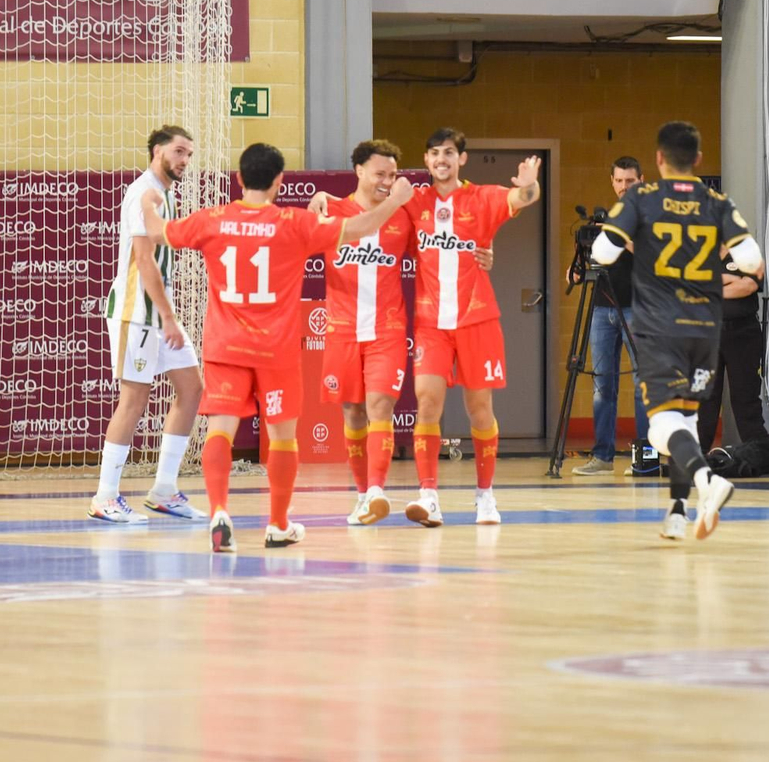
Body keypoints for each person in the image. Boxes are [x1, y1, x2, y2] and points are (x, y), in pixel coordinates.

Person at [144, 143, 413, 552]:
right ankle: (278, 524)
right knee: (283, 438)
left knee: (220, 431)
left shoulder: (212, 219)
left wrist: (148, 203)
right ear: (279, 182)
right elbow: (359, 228)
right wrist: (394, 202)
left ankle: (219, 512)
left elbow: (158, 232)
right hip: (275, 350)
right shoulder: (294, 223)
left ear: (239, 178)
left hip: (225, 347)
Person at [591, 122, 758, 542]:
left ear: (658, 159)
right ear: (697, 159)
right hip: (705, 329)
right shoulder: (718, 202)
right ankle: (678, 512)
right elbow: (752, 261)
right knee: (685, 420)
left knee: (661, 429)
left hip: (661, 327)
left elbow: (602, 253)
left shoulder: (641, 199)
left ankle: (708, 481)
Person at [312, 140, 493, 526]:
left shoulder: (404, 217)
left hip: (388, 330)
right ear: (358, 171)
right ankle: (362, 495)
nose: (387, 181)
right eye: (379, 174)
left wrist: (483, 253)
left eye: (393, 175)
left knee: (380, 405)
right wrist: (321, 196)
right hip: (343, 330)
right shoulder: (331, 211)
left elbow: (439, 249)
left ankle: (377, 490)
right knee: (352, 411)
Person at [398, 129, 543, 528]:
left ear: (461, 159)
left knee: (480, 410)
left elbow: (522, 198)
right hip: (430, 324)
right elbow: (367, 206)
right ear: (426, 160)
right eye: (434, 153)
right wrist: (326, 199)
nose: (440, 159)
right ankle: (428, 497)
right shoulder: (415, 202)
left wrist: (529, 186)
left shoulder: (482, 197)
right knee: (427, 402)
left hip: (477, 321)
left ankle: (485, 495)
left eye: (448, 153)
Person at [88, 125, 207, 524]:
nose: (185, 160)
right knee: (135, 397)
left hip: (159, 310)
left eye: (189, 154)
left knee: (191, 388)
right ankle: (105, 496)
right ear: (158, 151)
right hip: (136, 310)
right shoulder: (143, 192)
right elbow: (143, 260)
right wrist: (168, 317)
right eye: (179, 151)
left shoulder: (163, 194)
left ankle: (164, 490)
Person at [571, 157, 653, 476]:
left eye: (629, 181)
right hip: (601, 307)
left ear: (641, 180)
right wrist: (577, 270)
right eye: (618, 181)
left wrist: (619, 236)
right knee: (602, 385)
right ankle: (602, 457)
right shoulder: (606, 219)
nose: (623, 187)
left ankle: (645, 459)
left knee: (642, 383)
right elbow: (591, 262)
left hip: (638, 309)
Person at [696, 249, 769, 456]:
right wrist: (730, 281)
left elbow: (748, 286)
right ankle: (697, 453)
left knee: (745, 396)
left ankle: (758, 451)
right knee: (705, 397)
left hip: (742, 333)